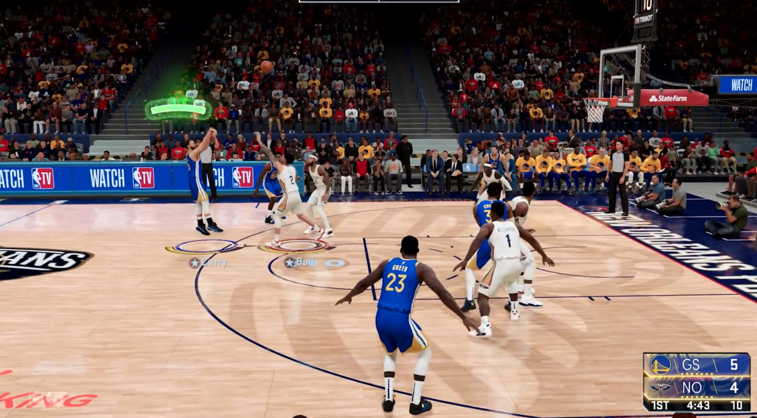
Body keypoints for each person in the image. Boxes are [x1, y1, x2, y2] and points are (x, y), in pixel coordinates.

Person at [336, 236, 477, 415]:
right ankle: (416, 402)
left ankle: (388, 398)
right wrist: (462, 316)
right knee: (425, 352)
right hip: (400, 319)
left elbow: (364, 283)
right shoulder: (421, 269)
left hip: (380, 318)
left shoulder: (387, 263)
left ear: (401, 250)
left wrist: (349, 295)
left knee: (390, 351)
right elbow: (442, 293)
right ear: (417, 251)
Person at [454, 201, 554, 335]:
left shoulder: (488, 227)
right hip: (517, 264)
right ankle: (515, 312)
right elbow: (532, 240)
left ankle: (485, 327)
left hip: (501, 264)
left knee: (482, 296)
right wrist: (544, 255)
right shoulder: (515, 226)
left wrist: (466, 260)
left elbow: (476, 242)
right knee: (511, 282)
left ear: (492, 213)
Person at [255, 132, 323, 245]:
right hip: (296, 194)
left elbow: (269, 152)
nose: (280, 157)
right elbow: (295, 180)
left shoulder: (281, 167)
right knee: (300, 215)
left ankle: (276, 240)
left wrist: (259, 141)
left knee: (277, 215)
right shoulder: (292, 168)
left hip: (289, 195)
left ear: (284, 160)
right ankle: (318, 229)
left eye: (282, 157)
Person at [460, 182, 506, 312]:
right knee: (507, 270)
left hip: (486, 241)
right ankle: (512, 301)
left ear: (487, 192)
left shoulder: (477, 206)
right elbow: (510, 223)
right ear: (500, 193)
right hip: (502, 241)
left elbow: (481, 225)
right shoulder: (504, 205)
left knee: (469, 268)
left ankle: (470, 300)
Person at [188, 129, 223, 235]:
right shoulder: (193, 153)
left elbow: (205, 145)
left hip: (193, 180)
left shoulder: (191, 154)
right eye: (192, 143)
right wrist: (210, 133)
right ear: (188, 146)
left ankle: (200, 224)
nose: (194, 144)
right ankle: (210, 223)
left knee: (199, 201)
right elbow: (203, 146)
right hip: (196, 180)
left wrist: (211, 137)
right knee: (205, 199)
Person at [304, 155, 333, 238]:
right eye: (308, 158)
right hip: (318, 189)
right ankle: (313, 226)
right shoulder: (309, 168)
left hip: (325, 189)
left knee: (319, 209)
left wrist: (326, 193)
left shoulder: (319, 168)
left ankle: (329, 230)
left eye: (310, 158)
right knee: (308, 206)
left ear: (314, 160)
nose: (308, 160)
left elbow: (328, 181)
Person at [255, 154, 286, 224]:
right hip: (267, 183)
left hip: (274, 182)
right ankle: (268, 217)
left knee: (285, 195)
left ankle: (278, 212)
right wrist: (257, 188)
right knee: (273, 198)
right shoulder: (268, 166)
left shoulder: (279, 166)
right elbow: (260, 177)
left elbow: (277, 176)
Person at [606, 140, 630, 216]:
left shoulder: (625, 154)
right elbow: (610, 164)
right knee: (611, 192)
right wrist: (607, 174)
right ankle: (611, 209)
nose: (617, 146)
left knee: (623, 193)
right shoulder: (613, 152)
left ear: (622, 145)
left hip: (621, 174)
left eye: (618, 144)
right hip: (614, 173)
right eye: (616, 144)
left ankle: (625, 210)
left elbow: (627, 166)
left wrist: (623, 176)